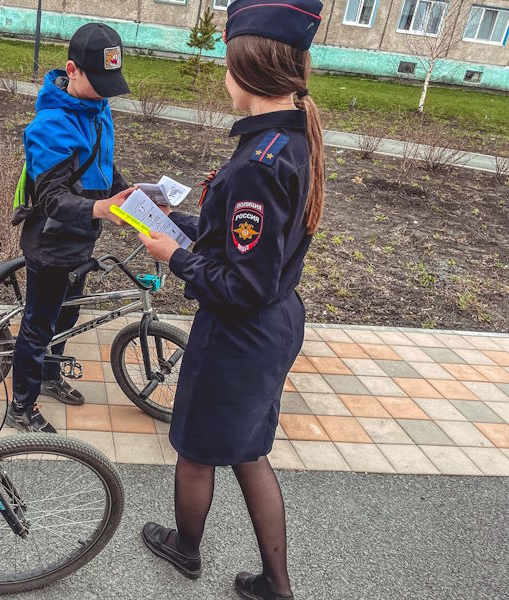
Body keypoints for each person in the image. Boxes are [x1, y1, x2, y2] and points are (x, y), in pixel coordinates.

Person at [137, 0, 325, 598]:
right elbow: (248, 249)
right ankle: (276, 582)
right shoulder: (287, 141)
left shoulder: (260, 162)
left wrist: (174, 256)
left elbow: (241, 285)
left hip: (239, 333)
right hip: (271, 325)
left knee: (196, 450)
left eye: (225, 58)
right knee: (247, 449)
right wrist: (182, 223)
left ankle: (184, 549)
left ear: (245, 65)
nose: (223, 73)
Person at [7, 23, 134, 433]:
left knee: (66, 317)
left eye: (110, 83)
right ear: (72, 70)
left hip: (81, 239)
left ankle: (48, 374)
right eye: (98, 82)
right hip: (50, 243)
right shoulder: (51, 125)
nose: (105, 92)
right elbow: (52, 197)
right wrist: (99, 207)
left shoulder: (97, 109)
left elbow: (100, 164)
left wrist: (132, 192)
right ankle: (21, 406)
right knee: (38, 324)